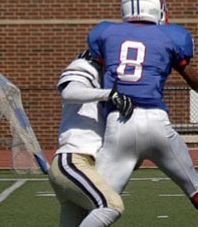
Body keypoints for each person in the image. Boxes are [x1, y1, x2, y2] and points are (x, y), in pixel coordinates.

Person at [89, 0, 198, 226]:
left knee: (102, 205)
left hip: (118, 125)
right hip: (157, 125)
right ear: (157, 8)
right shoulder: (171, 36)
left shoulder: (105, 34)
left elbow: (96, 81)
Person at [48, 50, 134, 227]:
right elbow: (69, 93)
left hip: (84, 164)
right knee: (111, 206)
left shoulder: (105, 77)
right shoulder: (85, 66)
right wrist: (109, 94)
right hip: (73, 161)